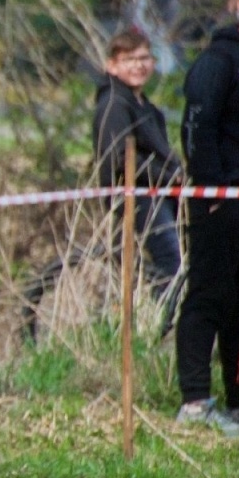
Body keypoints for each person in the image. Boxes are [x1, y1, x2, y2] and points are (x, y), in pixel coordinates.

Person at [175, 0, 239, 437]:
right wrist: (213, 190)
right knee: (209, 295)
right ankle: (195, 401)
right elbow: (196, 127)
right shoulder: (218, 60)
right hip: (222, 204)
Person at [91, 28, 182, 306]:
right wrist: (169, 176)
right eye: (129, 59)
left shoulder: (146, 107)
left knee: (174, 260)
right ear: (112, 65)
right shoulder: (114, 104)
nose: (138, 65)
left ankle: (163, 312)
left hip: (159, 193)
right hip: (137, 196)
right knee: (170, 260)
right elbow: (120, 158)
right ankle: (166, 318)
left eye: (143, 58)